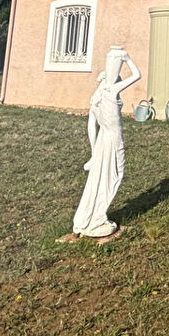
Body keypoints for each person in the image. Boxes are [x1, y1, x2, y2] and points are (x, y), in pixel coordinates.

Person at [58, 45, 140, 243]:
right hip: (113, 139)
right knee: (115, 175)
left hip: (103, 139)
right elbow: (137, 75)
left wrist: (94, 154)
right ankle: (97, 218)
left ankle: (86, 219)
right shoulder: (112, 90)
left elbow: (90, 127)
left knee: (97, 178)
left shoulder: (98, 96)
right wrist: (127, 58)